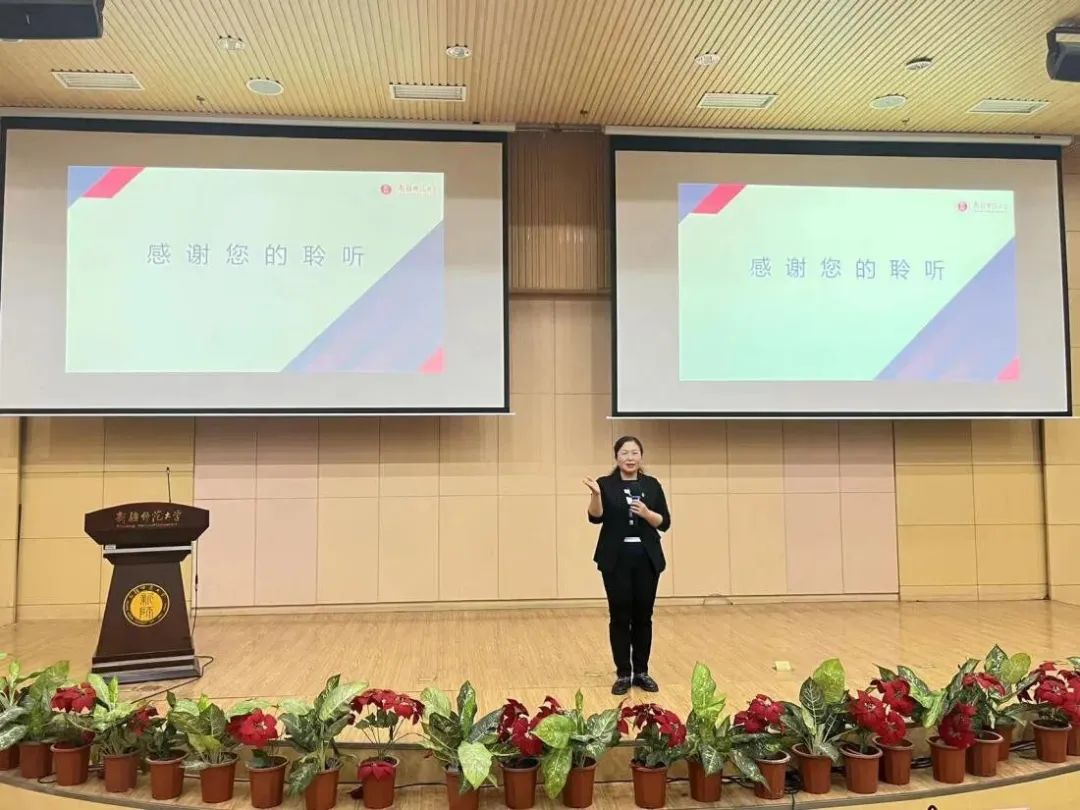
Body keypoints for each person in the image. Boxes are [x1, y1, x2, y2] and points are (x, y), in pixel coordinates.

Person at [584, 436, 671, 695]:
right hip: (616, 558)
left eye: (634, 453)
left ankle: (641, 671)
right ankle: (623, 673)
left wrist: (646, 513)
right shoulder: (605, 484)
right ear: (616, 457)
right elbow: (595, 517)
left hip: (646, 557)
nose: (630, 458)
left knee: (643, 615)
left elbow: (664, 522)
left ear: (641, 456)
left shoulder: (651, 485)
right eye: (624, 453)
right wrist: (596, 495)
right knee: (620, 615)